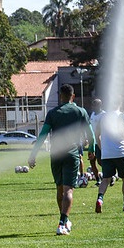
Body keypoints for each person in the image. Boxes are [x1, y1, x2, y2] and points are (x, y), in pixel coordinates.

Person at [28, 84, 95, 236]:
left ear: (60, 96)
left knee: (59, 190)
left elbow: (43, 135)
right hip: (71, 154)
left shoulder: (52, 113)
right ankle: (61, 223)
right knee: (68, 190)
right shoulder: (80, 111)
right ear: (73, 96)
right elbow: (90, 134)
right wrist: (92, 149)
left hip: (56, 155)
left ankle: (65, 219)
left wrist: (33, 154)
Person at [94, 100, 124, 213]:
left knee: (105, 179)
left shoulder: (102, 117)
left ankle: (100, 199)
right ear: (119, 104)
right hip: (120, 152)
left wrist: (102, 148)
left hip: (107, 154)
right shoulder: (121, 116)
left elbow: (97, 134)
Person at [88, 98, 106, 184]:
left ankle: (110, 175)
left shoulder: (104, 115)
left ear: (99, 105)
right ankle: (98, 180)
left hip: (100, 141)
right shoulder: (92, 114)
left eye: (95, 105)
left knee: (100, 161)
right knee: (92, 162)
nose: (93, 106)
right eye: (93, 105)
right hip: (92, 142)